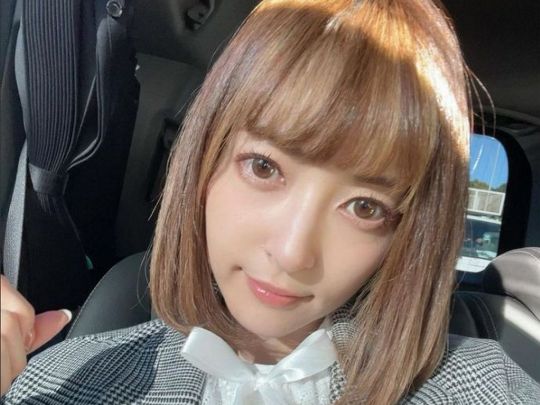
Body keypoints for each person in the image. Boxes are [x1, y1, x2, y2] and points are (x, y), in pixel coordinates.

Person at [2, 0, 540, 403]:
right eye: (264, 168)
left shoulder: (487, 388)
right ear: (204, 160)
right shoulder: (63, 380)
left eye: (365, 207)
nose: (292, 253)